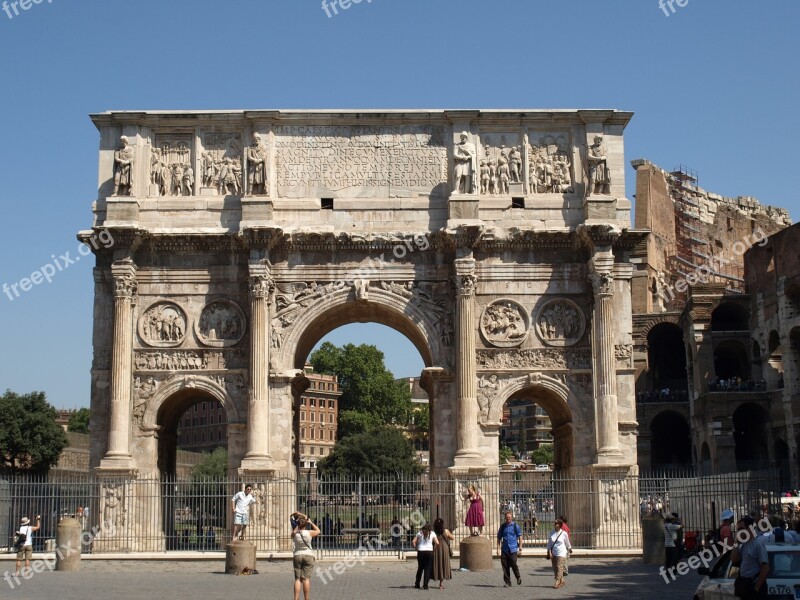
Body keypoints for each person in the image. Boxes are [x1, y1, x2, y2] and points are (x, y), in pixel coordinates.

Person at [731, 515, 769, 599]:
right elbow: (734, 559)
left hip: (754, 587)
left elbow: (765, 567)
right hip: (745, 586)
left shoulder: (758, 545)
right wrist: (736, 543)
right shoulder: (744, 545)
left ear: (749, 528)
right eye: (738, 530)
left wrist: (757, 587)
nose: (739, 532)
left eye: (741, 529)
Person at [291, 513, 320, 600]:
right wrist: (310, 522)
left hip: (297, 555)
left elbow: (293, 533)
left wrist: (297, 525)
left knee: (297, 579)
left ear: (298, 524)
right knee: (306, 579)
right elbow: (318, 531)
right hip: (308, 555)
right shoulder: (309, 533)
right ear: (305, 524)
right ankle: (306, 598)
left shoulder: (295, 534)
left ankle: (296, 598)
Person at [497, 511, 523, 587]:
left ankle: (518, 576)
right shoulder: (502, 527)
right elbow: (499, 538)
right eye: (507, 517)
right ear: (505, 518)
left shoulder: (515, 526)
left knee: (513, 563)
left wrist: (520, 548)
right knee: (505, 566)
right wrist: (498, 549)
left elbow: (520, 536)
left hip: (513, 548)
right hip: (505, 549)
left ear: (512, 517)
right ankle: (508, 582)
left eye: (509, 517)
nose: (508, 518)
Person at [546, 518, 572, 589]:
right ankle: (562, 580)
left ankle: (557, 581)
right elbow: (549, 544)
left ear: (559, 525)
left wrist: (569, 549)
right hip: (554, 552)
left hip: (562, 552)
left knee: (559, 567)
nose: (554, 523)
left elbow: (567, 542)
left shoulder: (564, 533)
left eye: (556, 523)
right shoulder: (551, 533)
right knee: (555, 568)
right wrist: (549, 552)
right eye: (554, 522)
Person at [413, 522, 439, 589]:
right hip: (429, 551)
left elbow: (413, 541)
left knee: (420, 568)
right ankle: (425, 585)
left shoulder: (420, 533)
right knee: (427, 569)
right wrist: (434, 548)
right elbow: (437, 543)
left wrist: (416, 547)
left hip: (421, 551)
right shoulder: (432, 533)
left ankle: (417, 584)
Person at [432, 518, 454, 589]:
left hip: (435, 548)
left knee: (436, 563)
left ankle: (429, 579)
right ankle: (441, 584)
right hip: (444, 549)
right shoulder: (446, 531)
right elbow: (452, 538)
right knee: (443, 564)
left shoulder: (433, 532)